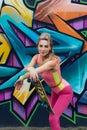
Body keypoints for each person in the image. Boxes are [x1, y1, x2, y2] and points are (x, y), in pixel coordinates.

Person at [15, 33, 73, 130]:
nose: (43, 49)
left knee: (53, 118)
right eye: (40, 46)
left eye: (46, 46)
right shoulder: (36, 57)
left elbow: (37, 70)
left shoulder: (53, 61)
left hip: (65, 92)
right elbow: (28, 69)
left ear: (50, 48)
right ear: (37, 46)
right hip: (55, 91)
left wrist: (32, 70)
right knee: (54, 118)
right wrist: (21, 79)